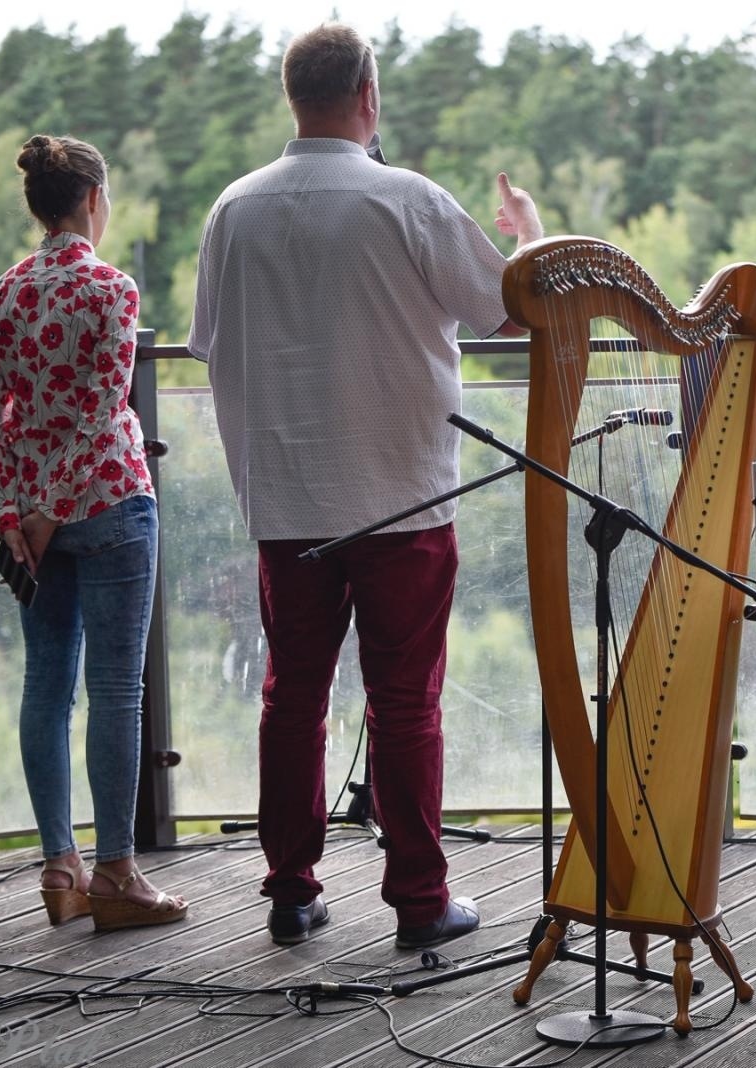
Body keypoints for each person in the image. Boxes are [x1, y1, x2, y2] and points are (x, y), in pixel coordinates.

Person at [187, 23, 544, 949]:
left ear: (292, 97)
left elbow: (211, 345)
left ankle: (291, 892)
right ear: (369, 95)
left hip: (290, 500)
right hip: (402, 499)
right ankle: (421, 906)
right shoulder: (409, 200)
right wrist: (532, 238)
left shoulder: (233, 209)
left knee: (292, 695)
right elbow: (509, 311)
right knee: (404, 701)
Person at [0, 135, 187, 931]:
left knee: (45, 687)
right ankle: (117, 877)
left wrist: (14, 518)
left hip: (34, 524)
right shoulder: (111, 288)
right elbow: (100, 407)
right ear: (94, 198)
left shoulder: (3, 294)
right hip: (108, 507)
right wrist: (54, 509)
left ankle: (59, 868)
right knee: (115, 692)